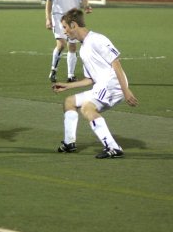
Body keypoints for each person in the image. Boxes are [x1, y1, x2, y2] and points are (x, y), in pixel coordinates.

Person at [52, 8, 138, 158]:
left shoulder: (97, 39)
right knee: (69, 102)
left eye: (65, 27)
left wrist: (126, 90)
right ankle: (69, 143)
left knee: (87, 108)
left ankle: (113, 147)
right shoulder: (84, 48)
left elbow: (116, 63)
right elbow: (90, 79)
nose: (64, 32)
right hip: (102, 85)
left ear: (73, 25)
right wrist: (68, 86)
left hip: (112, 84)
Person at [45, 0, 92, 83]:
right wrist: (48, 19)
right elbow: (49, 2)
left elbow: (84, 0)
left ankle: (70, 75)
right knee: (61, 44)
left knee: (72, 47)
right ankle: (53, 70)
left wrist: (87, 7)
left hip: (74, 19)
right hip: (59, 17)